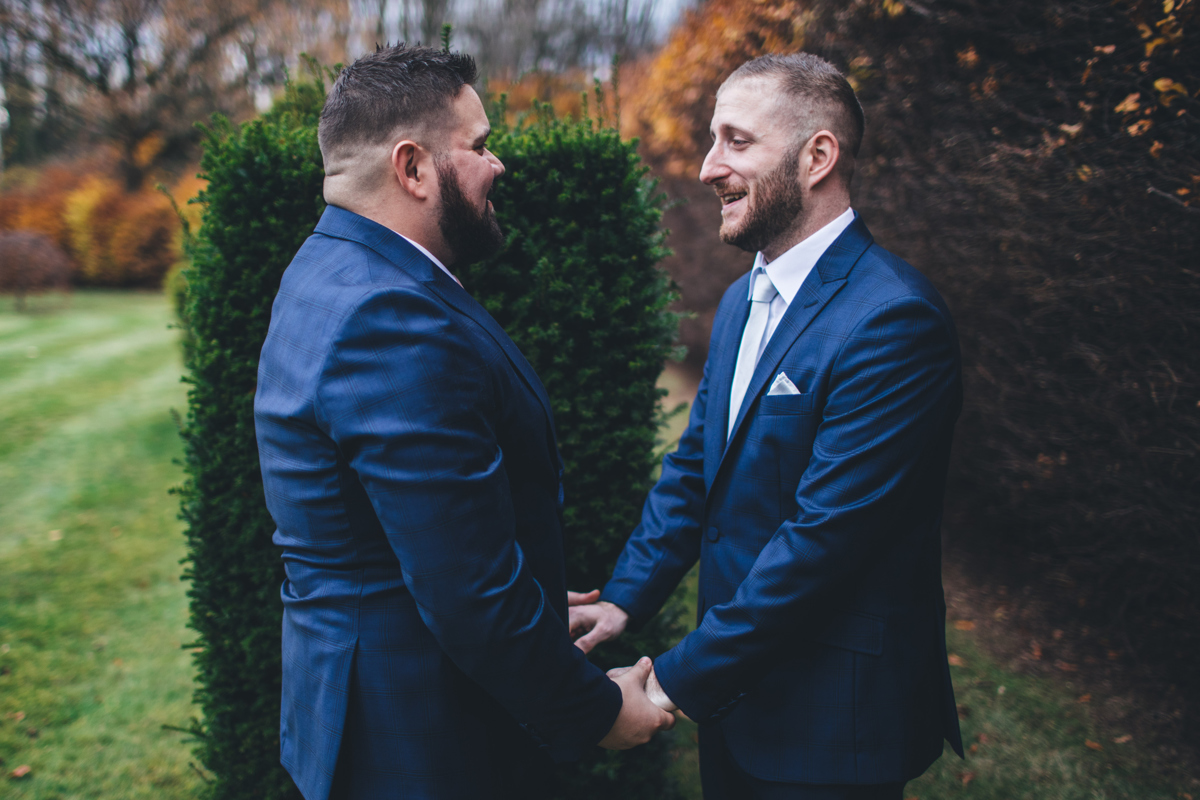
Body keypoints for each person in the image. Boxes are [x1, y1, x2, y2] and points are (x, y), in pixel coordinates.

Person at [253, 45, 673, 800]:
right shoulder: (388, 316)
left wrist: (538, 590)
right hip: (420, 740)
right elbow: (467, 592)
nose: (498, 164)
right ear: (413, 168)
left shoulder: (328, 268)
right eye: (479, 145)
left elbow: (402, 532)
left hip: (381, 710)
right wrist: (600, 710)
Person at [569, 52, 965, 799]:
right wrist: (622, 598)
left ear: (818, 155)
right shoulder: (740, 303)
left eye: (737, 141)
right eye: (712, 139)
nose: (708, 167)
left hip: (831, 721)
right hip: (739, 704)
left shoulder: (893, 319)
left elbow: (824, 544)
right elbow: (696, 470)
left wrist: (667, 684)